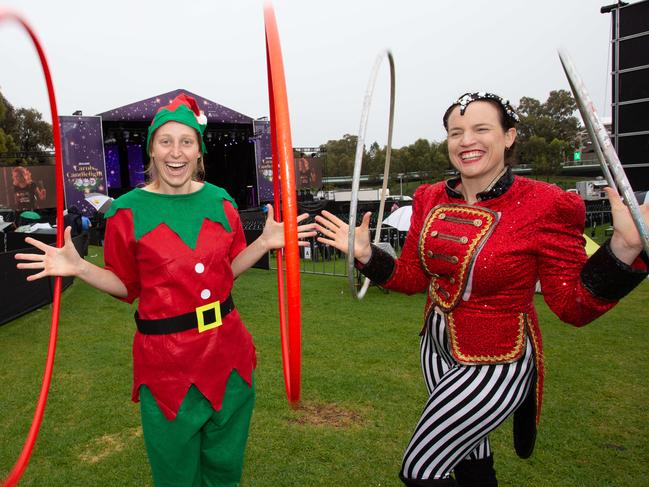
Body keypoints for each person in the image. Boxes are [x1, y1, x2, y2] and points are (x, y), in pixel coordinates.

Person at [314, 92, 649, 486]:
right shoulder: (430, 197)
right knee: (472, 459)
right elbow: (413, 277)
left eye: (480, 129)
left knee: (421, 469)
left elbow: (573, 305)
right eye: (456, 132)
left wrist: (623, 249)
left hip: (497, 359)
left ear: (509, 136)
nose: (466, 140)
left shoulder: (547, 204)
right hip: (435, 350)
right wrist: (369, 256)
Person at [15, 93, 316, 487]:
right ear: (152, 151)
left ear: (199, 152)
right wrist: (79, 266)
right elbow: (125, 286)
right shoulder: (126, 211)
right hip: (166, 367)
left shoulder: (222, 202)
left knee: (225, 469)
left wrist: (263, 244)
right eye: (166, 142)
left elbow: (227, 272)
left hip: (229, 356)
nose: (176, 152)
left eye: (186, 142)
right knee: (175, 475)